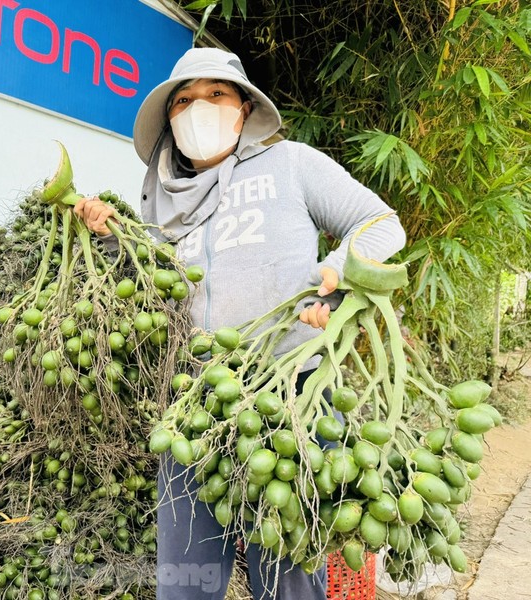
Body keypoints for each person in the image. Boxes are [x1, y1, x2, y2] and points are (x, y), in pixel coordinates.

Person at [75, 47, 405, 600]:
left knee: (287, 577)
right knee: (184, 576)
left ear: (245, 107)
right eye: (183, 100)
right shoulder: (162, 205)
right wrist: (110, 238)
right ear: (170, 122)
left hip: (290, 395)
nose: (197, 108)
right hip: (196, 399)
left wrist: (338, 276)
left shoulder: (292, 164)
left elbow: (380, 224)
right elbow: (151, 283)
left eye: (215, 94)